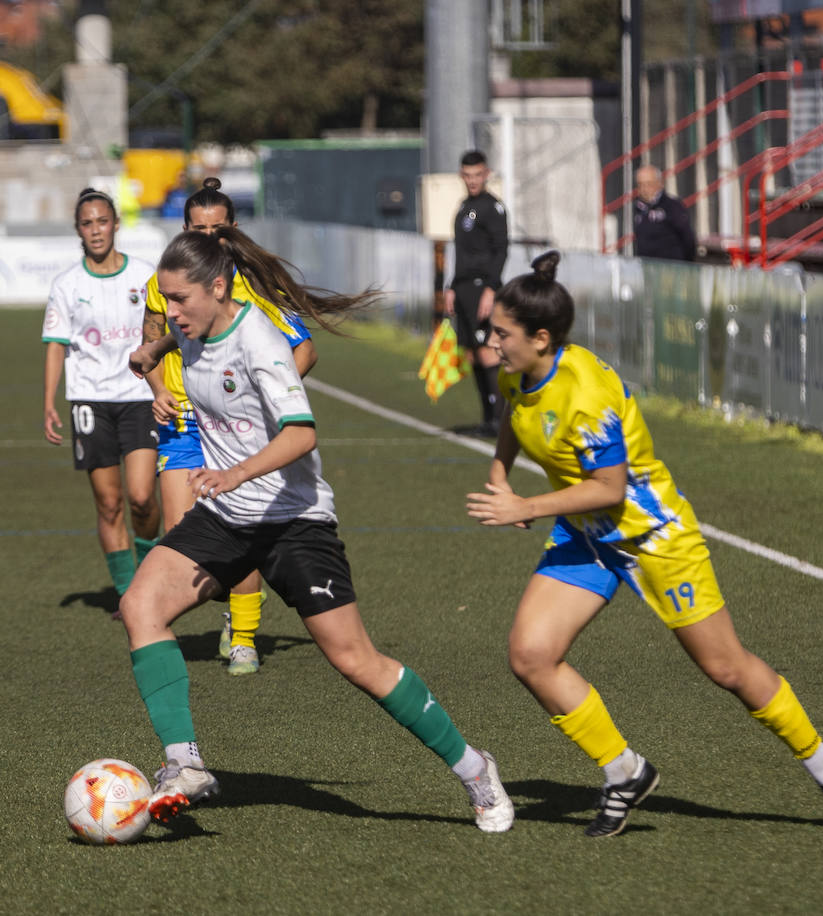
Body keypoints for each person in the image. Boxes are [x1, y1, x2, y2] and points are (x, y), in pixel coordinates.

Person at [464, 250, 823, 837]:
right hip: (589, 538)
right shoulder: (518, 368)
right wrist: (501, 471)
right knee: (531, 655)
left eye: (502, 333)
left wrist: (525, 506)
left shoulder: (588, 396)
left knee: (727, 668)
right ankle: (624, 771)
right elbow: (515, 417)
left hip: (655, 539)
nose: (492, 342)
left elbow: (608, 489)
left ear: (542, 337)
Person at [123, 227, 514, 833]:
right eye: (164, 300)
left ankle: (473, 768)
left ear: (219, 288)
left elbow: (302, 433)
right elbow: (172, 341)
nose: (168, 312)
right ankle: (185, 765)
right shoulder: (194, 329)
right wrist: (153, 354)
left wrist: (237, 472)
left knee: (356, 660)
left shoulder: (260, 342)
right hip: (227, 518)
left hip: (293, 521)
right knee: (140, 605)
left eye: (179, 301)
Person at [141, 177, 318, 676]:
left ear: (233, 230)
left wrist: (265, 398)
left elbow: (303, 349)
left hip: (236, 428)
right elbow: (152, 340)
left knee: (238, 525)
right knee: (183, 537)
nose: (210, 238)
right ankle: (207, 607)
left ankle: (242, 637)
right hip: (182, 421)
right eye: (200, 228)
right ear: (185, 229)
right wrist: (158, 390)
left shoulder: (255, 284)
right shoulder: (166, 280)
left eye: (219, 229)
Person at [42, 187, 162, 603]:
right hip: (90, 400)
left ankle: (150, 577)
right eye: (87, 223)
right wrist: (49, 403)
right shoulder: (66, 285)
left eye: (102, 221)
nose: (96, 230)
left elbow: (161, 334)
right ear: (78, 230)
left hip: (140, 396)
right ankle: (131, 595)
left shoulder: (144, 276)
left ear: (115, 224)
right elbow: (56, 344)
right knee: (109, 503)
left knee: (143, 497)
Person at [444, 150, 508, 438]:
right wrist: (452, 287)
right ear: (461, 175)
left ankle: (500, 420)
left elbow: (500, 249)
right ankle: (487, 418)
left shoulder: (492, 207)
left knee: (489, 354)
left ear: (486, 174)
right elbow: (461, 254)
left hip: (484, 287)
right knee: (473, 355)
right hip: (465, 288)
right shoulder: (463, 207)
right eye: (467, 175)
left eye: (477, 175)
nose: (472, 180)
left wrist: (491, 289)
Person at [633, 165, 696, 262]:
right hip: (647, 267)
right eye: (640, 185)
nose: (644, 189)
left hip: (672, 268)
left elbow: (688, 239)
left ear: (659, 184)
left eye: (649, 184)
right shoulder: (638, 208)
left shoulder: (672, 206)